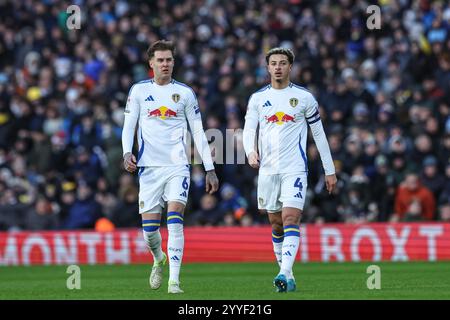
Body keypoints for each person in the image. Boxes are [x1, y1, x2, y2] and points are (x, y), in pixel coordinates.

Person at [121, 40, 219, 294]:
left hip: (178, 166)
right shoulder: (139, 91)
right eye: (161, 60)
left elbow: (198, 131)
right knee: (150, 233)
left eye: (169, 60)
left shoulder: (185, 93)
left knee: (175, 219)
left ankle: (174, 281)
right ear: (151, 63)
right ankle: (158, 258)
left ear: (174, 63)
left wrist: (209, 168)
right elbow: (129, 125)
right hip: (149, 168)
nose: (165, 64)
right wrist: (126, 153)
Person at [243, 47, 337, 292]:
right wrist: (250, 152)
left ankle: (283, 273)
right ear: (267, 67)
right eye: (273, 63)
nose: (277, 67)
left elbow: (319, 134)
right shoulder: (257, 99)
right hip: (267, 171)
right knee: (275, 224)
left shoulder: (304, 97)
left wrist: (329, 169)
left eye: (282, 63)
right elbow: (248, 131)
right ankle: (289, 276)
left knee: (291, 218)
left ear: (290, 67)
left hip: (295, 168)